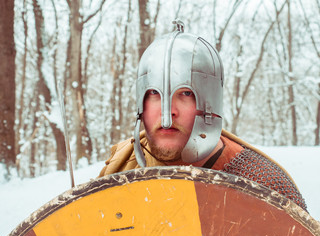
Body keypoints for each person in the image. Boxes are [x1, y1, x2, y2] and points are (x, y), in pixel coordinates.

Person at [98, 21, 307, 211]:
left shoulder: (261, 185)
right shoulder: (119, 175)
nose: (168, 111)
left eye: (186, 94)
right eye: (154, 93)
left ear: (210, 101)